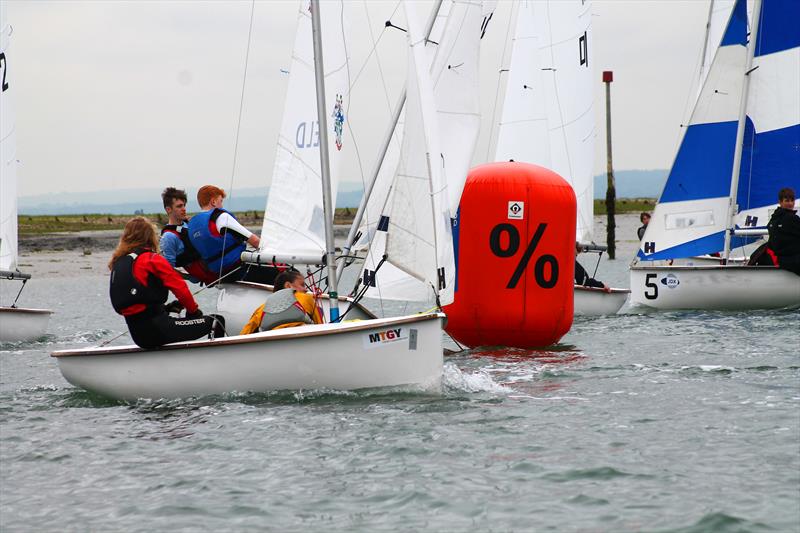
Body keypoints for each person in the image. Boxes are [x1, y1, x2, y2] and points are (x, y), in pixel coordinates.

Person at [109, 217, 225, 349]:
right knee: (217, 321)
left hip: (139, 336)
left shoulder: (118, 263)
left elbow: (137, 305)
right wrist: (193, 312)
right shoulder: (152, 259)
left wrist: (165, 309)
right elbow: (180, 288)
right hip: (160, 329)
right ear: (150, 237)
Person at [187, 185, 278, 284]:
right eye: (220, 201)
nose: (222, 206)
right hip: (239, 269)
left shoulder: (192, 225)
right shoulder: (221, 217)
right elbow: (256, 241)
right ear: (213, 202)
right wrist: (279, 257)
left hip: (220, 274)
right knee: (288, 274)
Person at [159, 187, 217, 285]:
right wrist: (189, 277)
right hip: (208, 274)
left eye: (184, 205)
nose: (184, 209)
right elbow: (168, 270)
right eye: (179, 206)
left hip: (217, 264)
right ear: (168, 209)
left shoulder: (189, 224)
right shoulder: (168, 237)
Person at [239, 270, 324, 334]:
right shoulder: (306, 298)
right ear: (288, 286)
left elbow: (244, 334)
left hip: (273, 343)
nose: (305, 289)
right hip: (301, 338)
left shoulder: (262, 309)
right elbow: (321, 326)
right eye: (302, 285)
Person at [751, 188, 800, 275]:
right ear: (780, 202)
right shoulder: (791, 218)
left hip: (780, 258)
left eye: (792, 200)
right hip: (788, 260)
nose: (790, 203)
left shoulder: (774, 218)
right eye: (787, 201)